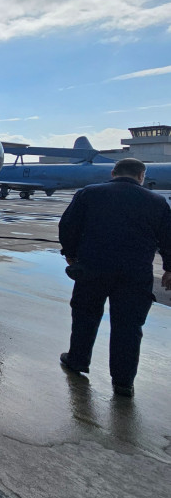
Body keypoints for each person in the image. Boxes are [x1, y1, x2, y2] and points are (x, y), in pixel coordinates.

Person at [58, 157, 171, 397]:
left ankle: (77, 360)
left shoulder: (88, 194)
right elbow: (168, 240)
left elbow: (68, 225)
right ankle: (123, 382)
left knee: (85, 316)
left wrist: (70, 254)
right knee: (129, 327)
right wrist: (169, 268)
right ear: (141, 176)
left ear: (113, 172)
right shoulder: (157, 202)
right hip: (135, 273)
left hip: (92, 268)